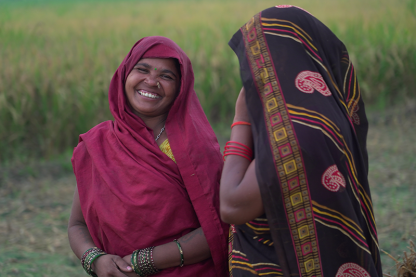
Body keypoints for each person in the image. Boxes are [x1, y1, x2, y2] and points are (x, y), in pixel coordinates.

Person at [220, 6, 382, 277]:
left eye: (255, 62)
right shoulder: (326, 116)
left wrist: (241, 118)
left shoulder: (295, 132)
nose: (250, 75)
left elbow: (232, 206)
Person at [68, 36, 228, 277]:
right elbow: (77, 225)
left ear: (181, 89)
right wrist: (96, 260)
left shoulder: (195, 148)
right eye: (142, 69)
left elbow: (218, 227)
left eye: (166, 76)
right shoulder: (97, 143)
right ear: (124, 75)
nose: (151, 81)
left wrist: (143, 261)